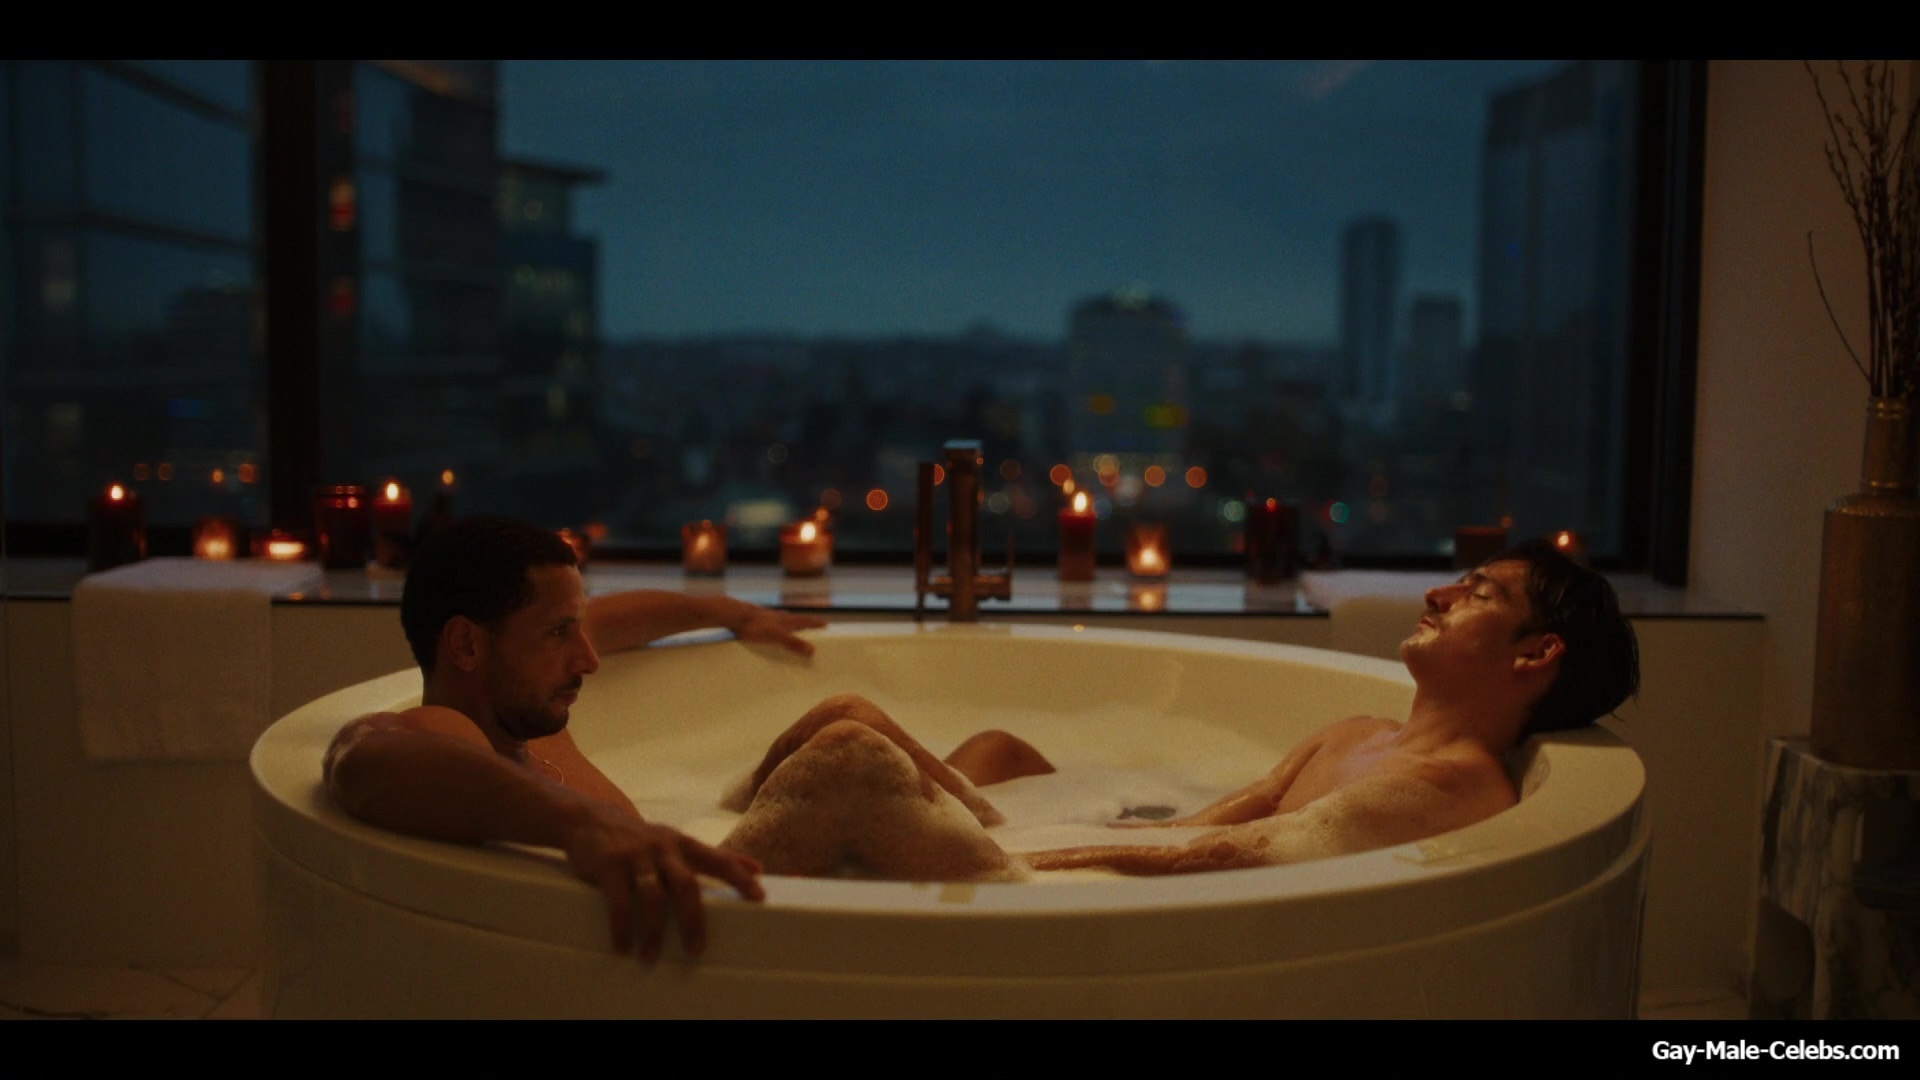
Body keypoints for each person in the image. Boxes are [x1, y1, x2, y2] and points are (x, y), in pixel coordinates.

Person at [716, 537, 1639, 880]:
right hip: (1093, 854)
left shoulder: (1451, 785)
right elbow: (1216, 822)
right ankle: (715, 844)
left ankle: (720, 908)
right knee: (860, 713)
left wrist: (1033, 867)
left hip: (1078, 890)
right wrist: (1074, 831)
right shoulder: (1359, 732)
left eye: (1477, 593)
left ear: (1535, 654)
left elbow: (1236, 859)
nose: (1439, 594)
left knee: (848, 756)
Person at [322, 515, 827, 962]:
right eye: (559, 632)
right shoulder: (451, 732)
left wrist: (730, 613)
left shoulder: (527, 720)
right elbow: (360, 760)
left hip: (711, 938)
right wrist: (576, 821)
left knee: (842, 723)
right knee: (844, 737)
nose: (589, 659)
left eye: (578, 628)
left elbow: (615, 618)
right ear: (466, 645)